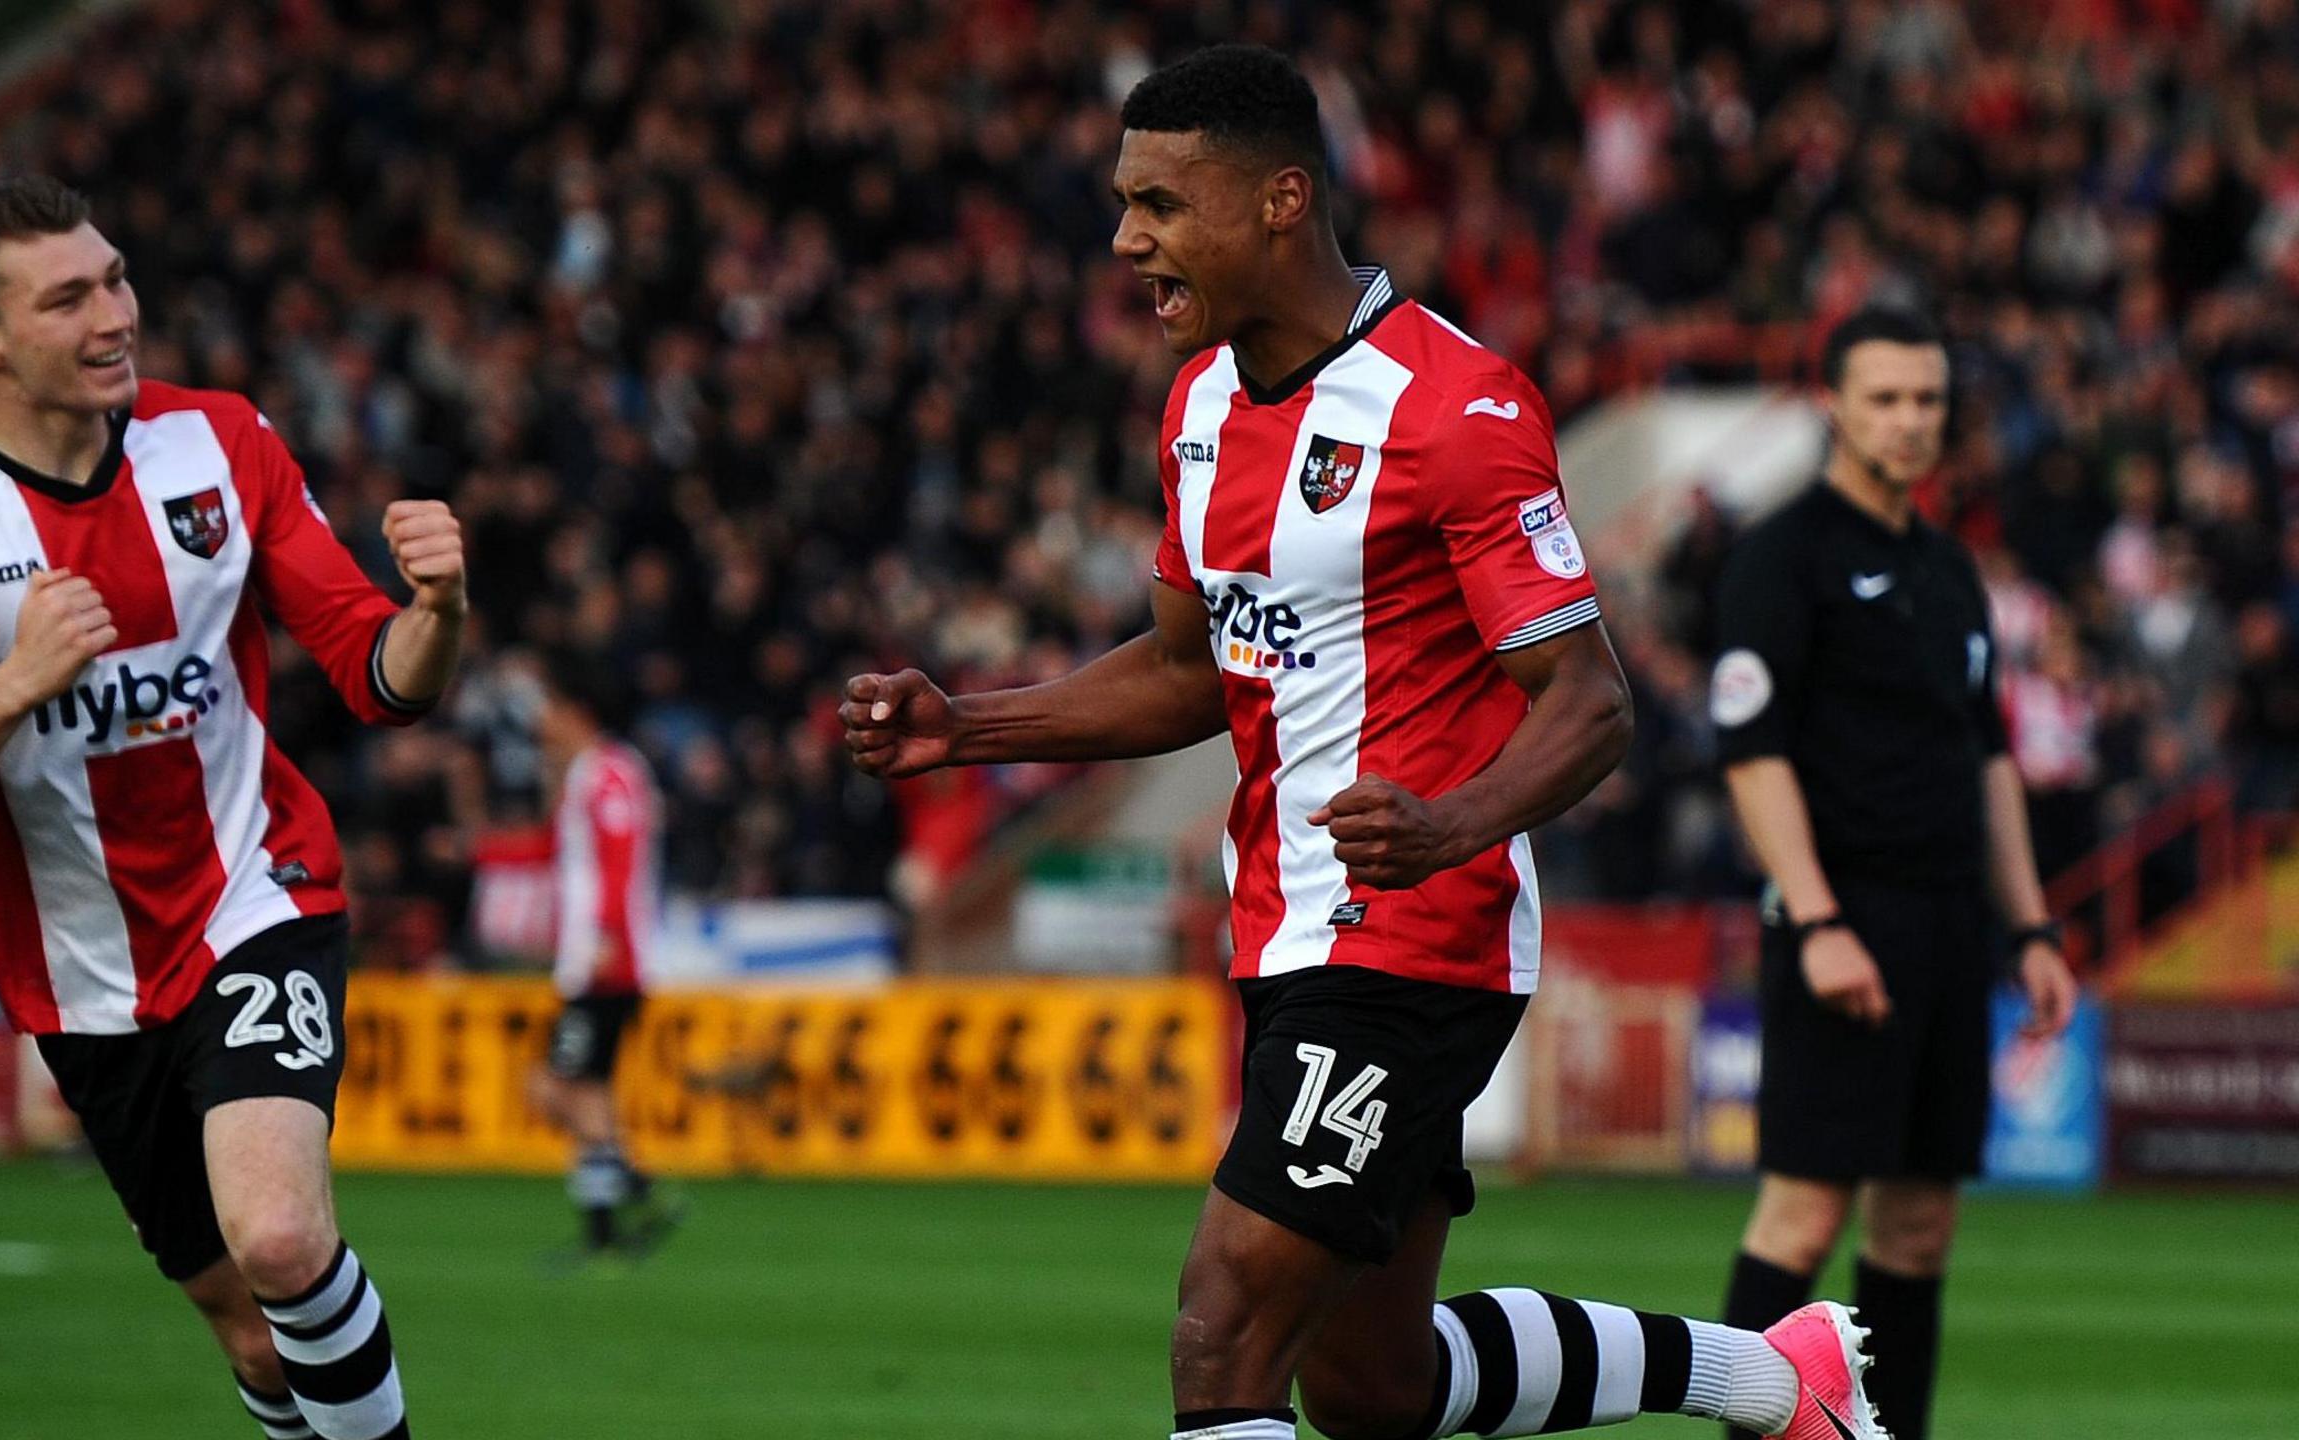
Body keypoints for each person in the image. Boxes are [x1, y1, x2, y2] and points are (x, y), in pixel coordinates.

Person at [841, 45, 1881, 1440]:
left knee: (1222, 1338)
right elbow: (1184, 671)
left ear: (1279, 201)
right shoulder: (1198, 408)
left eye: (1158, 203)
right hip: (1285, 932)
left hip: (1409, 943)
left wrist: (1454, 824)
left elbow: (1591, 700)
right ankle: (1778, 1380)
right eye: (1120, 201)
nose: (1124, 238)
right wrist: (969, 727)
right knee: (1375, 1384)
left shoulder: (1455, 407)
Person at [0, 176, 465, 1440]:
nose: (115, 314)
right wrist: (10, 688)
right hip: (82, 974)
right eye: (69, 298)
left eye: (115, 277)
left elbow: (377, 678)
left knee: (278, 1238)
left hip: (252, 894)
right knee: (245, 1327)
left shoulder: (219, 440)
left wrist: (437, 617)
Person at [1709, 306, 2080, 1440]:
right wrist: (1816, 919)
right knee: (1803, 1213)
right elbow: (1751, 751)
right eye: (1884, 398)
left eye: (1926, 401)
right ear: (1832, 401)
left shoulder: (1948, 569)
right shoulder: (1782, 556)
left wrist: (2029, 930)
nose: (1910, 421)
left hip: (1948, 927)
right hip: (1841, 918)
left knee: (1919, 1225)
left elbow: (1991, 759)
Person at [534, 655, 675, 1258]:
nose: (542, 719)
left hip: (606, 962)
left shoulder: (606, 774)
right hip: (599, 958)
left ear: (577, 712)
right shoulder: (596, 772)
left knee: (550, 1089)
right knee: (592, 1093)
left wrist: (605, 938)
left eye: (551, 706)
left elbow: (618, 859)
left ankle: (640, 1183)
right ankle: (602, 1232)